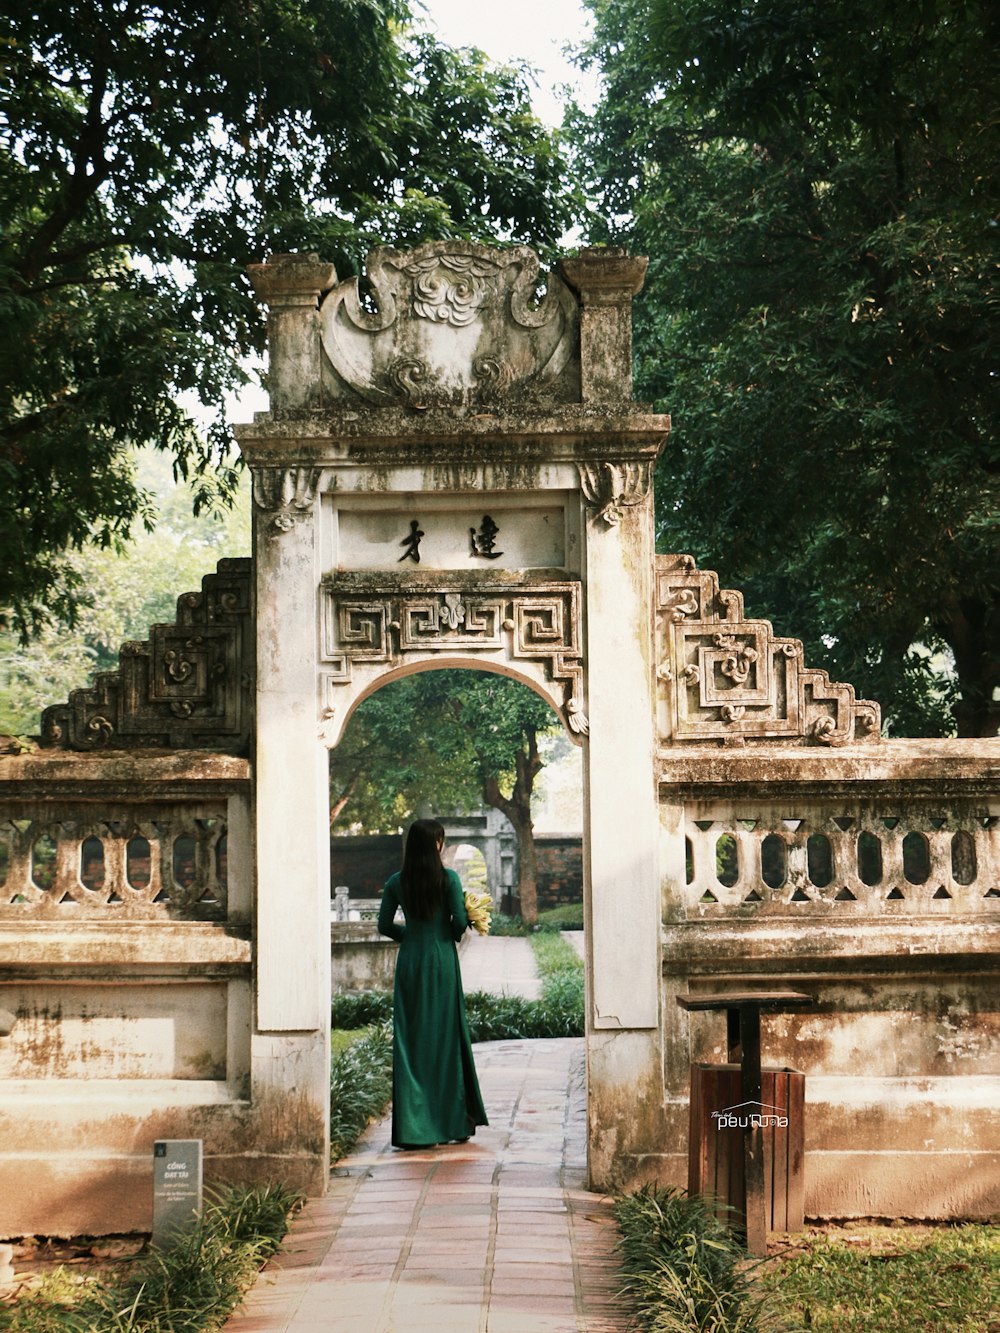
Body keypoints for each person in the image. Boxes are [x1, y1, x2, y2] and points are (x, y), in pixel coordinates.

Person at [378, 818, 488, 1149]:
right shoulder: (449, 879)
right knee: (446, 1039)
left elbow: (384, 925)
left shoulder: (396, 882)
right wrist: (457, 927)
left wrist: (409, 935)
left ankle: (416, 1130)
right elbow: (456, 922)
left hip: (411, 961)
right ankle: (453, 1122)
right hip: (441, 961)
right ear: (436, 844)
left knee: (411, 1042)